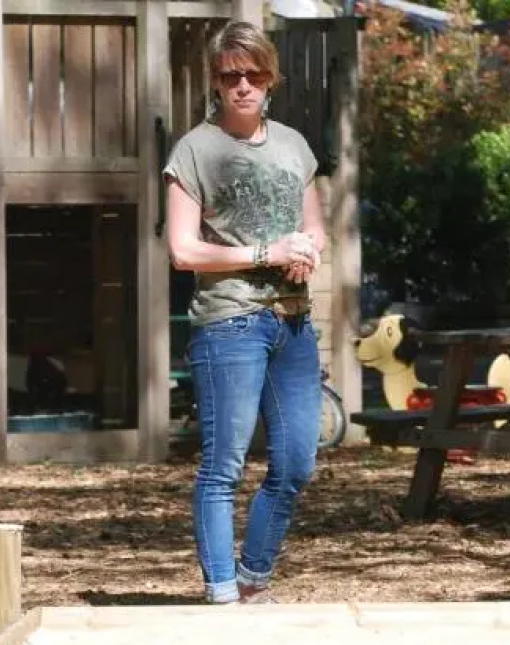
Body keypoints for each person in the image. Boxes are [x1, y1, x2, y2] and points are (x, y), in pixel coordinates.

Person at [163, 20, 327, 605]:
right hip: (228, 323)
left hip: (293, 321)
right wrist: (263, 253)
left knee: (297, 463)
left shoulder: (294, 146)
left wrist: (307, 252)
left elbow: (314, 226)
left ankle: (255, 579)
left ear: (271, 79)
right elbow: (182, 251)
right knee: (224, 465)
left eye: (254, 74)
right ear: (214, 81)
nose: (243, 86)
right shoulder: (194, 150)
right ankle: (223, 593)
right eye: (231, 76)